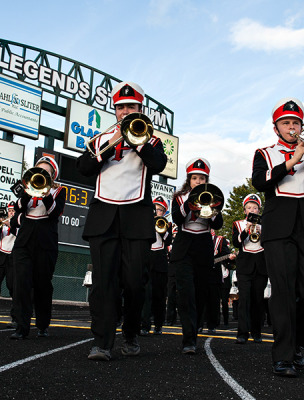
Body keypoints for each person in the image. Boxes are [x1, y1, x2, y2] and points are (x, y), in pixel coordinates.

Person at [76, 81, 167, 360]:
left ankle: (130, 333)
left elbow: (159, 165)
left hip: (136, 218)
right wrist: (105, 148)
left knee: (134, 282)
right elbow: (83, 168)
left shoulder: (152, 140)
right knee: (103, 283)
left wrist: (137, 143)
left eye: (131, 107)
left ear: (141, 109)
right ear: (114, 110)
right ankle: (102, 342)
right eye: (121, 107)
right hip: (103, 218)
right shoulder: (100, 138)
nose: (126, 111)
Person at [252, 97, 304, 377]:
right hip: (278, 230)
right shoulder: (264, 153)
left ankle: (298, 345)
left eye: (296, 122)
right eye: (286, 122)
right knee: (283, 291)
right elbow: (261, 182)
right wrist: (292, 160)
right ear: (276, 128)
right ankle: (284, 355)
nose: (291, 127)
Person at [170, 157, 224, 354]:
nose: (198, 182)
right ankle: (188, 340)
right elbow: (176, 218)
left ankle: (195, 331)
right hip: (184, 247)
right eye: (195, 178)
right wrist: (190, 204)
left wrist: (214, 210)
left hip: (203, 247)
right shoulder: (179, 197)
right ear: (189, 179)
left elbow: (217, 225)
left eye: (202, 179)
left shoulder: (213, 195)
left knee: (201, 294)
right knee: (185, 294)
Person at [8, 157, 65, 339]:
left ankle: (42, 324)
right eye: (38, 170)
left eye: (45, 172)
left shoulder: (59, 191)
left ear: (52, 175)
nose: (41, 174)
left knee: (42, 285)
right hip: (24, 241)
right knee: (21, 283)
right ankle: (21, 326)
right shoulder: (27, 188)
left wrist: (45, 191)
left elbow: (54, 212)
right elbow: (18, 208)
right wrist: (29, 191)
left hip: (45, 242)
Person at [232, 194, 268, 344]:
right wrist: (246, 231)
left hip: (261, 265)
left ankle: (257, 332)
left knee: (258, 300)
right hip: (245, 266)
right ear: (244, 210)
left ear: (259, 209)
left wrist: (262, 233)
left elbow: (269, 244)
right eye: (249, 207)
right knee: (244, 300)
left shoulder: (265, 223)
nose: (252, 210)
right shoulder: (238, 224)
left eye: (255, 207)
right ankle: (242, 333)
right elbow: (236, 242)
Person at [140, 196, 173, 336]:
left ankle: (158, 324)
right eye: (155, 208)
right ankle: (144, 325)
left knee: (159, 296)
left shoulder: (167, 225)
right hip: (146, 259)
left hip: (160, 262)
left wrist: (162, 230)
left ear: (164, 212)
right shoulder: (143, 221)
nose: (157, 211)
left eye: (160, 209)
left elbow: (169, 241)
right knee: (145, 295)